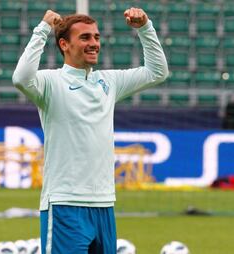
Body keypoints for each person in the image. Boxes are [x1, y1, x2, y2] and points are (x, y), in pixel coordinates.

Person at [12, 8, 168, 254]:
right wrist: (42, 30)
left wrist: (145, 28)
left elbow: (157, 72)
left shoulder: (109, 81)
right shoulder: (50, 82)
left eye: (96, 37)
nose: (94, 43)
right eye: (85, 37)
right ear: (64, 44)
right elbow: (21, 78)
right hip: (65, 203)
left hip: (104, 203)